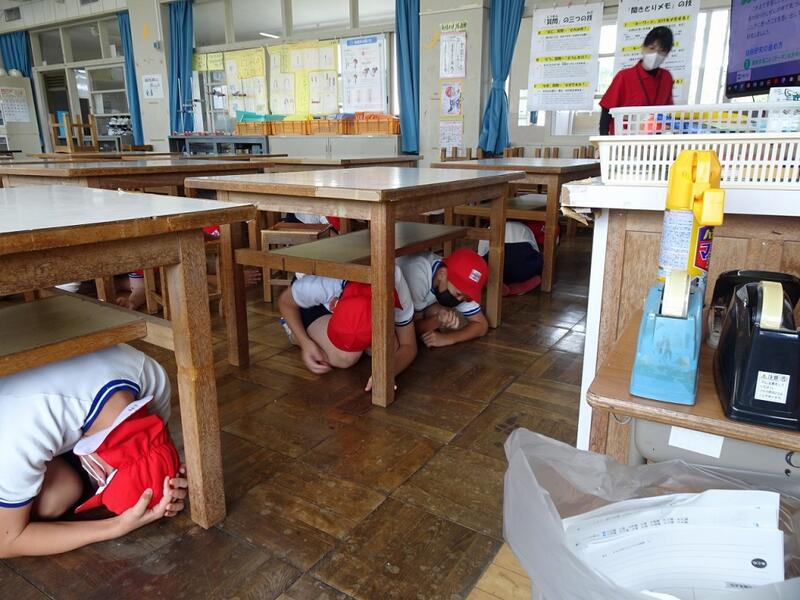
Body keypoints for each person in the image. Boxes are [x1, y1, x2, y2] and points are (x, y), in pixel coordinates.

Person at [0, 345, 188, 558]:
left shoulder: (152, 378)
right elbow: (6, 541)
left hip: (40, 385)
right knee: (55, 499)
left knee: (66, 487)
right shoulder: (22, 435)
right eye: (100, 481)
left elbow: (151, 441)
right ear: (98, 470)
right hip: (13, 411)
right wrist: (116, 526)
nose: (96, 480)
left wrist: (167, 474)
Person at [278, 266, 417, 391]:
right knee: (347, 357)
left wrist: (388, 372)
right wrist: (305, 342)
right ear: (334, 304)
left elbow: (408, 345)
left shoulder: (394, 279)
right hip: (308, 304)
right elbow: (285, 302)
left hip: (342, 294)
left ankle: (360, 341)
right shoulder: (319, 284)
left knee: (391, 348)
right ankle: (292, 330)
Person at [397, 248, 489, 348]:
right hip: (393, 310)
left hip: (417, 308)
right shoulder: (418, 276)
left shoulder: (455, 283)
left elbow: (482, 325)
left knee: (437, 311)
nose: (459, 299)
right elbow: (412, 330)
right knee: (436, 312)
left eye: (465, 297)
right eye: (458, 294)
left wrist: (448, 338)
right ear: (441, 275)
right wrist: (438, 320)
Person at [599, 26, 675, 135]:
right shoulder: (624, 76)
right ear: (643, 48)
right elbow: (606, 110)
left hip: (654, 139)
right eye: (652, 48)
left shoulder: (666, 78)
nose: (655, 54)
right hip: (624, 138)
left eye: (661, 51)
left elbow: (667, 113)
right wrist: (604, 140)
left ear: (666, 54)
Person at [478, 221, 543, 296]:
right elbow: (536, 251)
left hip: (498, 271)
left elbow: (480, 255)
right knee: (538, 261)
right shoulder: (525, 228)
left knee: (483, 264)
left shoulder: (490, 229)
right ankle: (524, 283)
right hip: (522, 270)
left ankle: (493, 283)